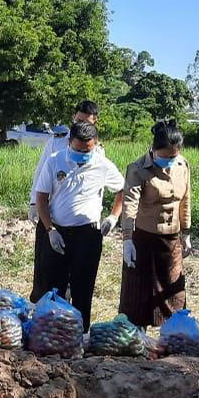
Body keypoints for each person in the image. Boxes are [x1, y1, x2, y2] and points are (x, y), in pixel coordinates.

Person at [33, 121, 123, 328]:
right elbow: (41, 198)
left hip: (88, 235)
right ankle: (54, 333)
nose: (82, 154)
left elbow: (122, 190)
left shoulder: (102, 164)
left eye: (87, 150)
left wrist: (113, 217)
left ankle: (80, 335)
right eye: (77, 149)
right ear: (69, 143)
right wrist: (50, 230)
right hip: (58, 232)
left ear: (96, 144)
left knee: (83, 288)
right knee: (54, 287)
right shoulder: (55, 162)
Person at [119, 120, 192, 329]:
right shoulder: (137, 169)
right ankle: (136, 335)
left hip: (171, 239)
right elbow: (129, 205)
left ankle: (171, 334)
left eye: (174, 156)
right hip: (144, 238)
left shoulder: (183, 166)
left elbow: (186, 200)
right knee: (138, 292)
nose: (169, 160)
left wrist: (186, 232)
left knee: (174, 291)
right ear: (154, 150)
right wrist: (127, 239)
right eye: (165, 156)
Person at [29, 99, 101, 302]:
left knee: (77, 274)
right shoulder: (57, 141)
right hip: (50, 215)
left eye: (87, 123)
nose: (81, 126)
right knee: (46, 268)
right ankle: (43, 305)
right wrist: (33, 202)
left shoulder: (96, 150)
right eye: (79, 121)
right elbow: (40, 172)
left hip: (80, 222)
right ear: (73, 117)